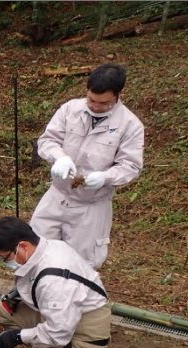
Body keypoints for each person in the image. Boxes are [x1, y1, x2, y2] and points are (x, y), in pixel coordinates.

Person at [31, 63, 144, 269]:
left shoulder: (130, 125)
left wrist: (106, 178)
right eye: (91, 99)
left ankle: (73, 300)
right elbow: (48, 140)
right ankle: (30, 296)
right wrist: (60, 157)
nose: (95, 106)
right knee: (35, 250)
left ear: (118, 94)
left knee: (80, 264)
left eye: (104, 103)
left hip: (91, 207)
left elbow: (131, 166)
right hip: (56, 196)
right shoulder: (70, 109)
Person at [0, 217, 111, 348]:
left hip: (82, 336)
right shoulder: (49, 246)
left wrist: (18, 336)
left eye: (5, 258)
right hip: (65, 319)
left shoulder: (54, 281)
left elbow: (59, 333)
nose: (6, 263)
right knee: (1, 310)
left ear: (23, 246)